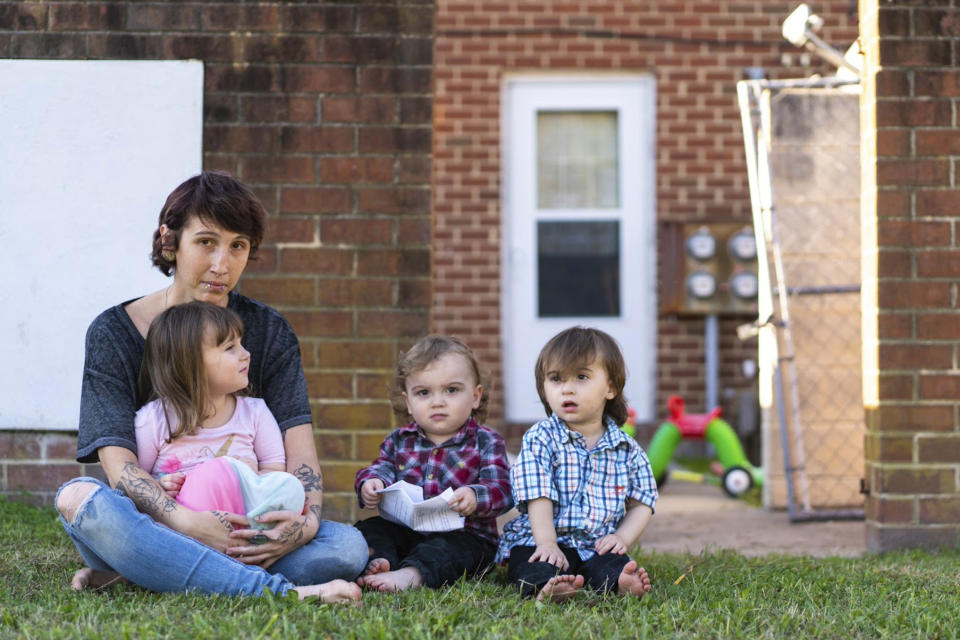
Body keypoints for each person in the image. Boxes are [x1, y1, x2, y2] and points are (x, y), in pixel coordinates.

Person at [55, 171, 367, 603]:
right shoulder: (113, 332)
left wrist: (305, 524)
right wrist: (185, 522)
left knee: (346, 547)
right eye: (206, 242)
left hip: (245, 525)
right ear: (170, 241)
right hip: (161, 520)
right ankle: (274, 592)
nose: (223, 265)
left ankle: (153, 570)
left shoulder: (269, 331)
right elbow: (120, 467)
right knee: (80, 500)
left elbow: (300, 454)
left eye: (238, 246)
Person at [496, 327, 658, 603]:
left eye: (582, 377)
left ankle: (621, 583)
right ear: (544, 388)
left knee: (608, 566)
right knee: (534, 564)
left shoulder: (627, 450)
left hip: (595, 545)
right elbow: (538, 494)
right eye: (556, 379)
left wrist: (622, 538)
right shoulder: (541, 437)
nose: (567, 388)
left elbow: (643, 501)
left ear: (611, 387)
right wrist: (547, 542)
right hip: (539, 537)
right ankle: (549, 586)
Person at [354, 335, 513, 592]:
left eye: (451, 390)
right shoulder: (398, 440)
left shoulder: (486, 441)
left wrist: (475, 495)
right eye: (424, 392)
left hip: (465, 537)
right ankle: (381, 561)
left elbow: (503, 491)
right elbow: (380, 467)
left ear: (475, 396)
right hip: (406, 529)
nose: (437, 401)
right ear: (408, 402)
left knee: (448, 550)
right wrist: (371, 483)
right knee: (369, 529)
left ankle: (411, 574)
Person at [136, 301, 305, 527]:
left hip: (243, 519)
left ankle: (247, 546)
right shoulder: (153, 420)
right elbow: (137, 481)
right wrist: (162, 486)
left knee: (291, 486)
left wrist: (248, 477)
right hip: (183, 526)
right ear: (189, 362)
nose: (246, 354)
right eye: (230, 348)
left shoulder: (255, 412)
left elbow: (274, 469)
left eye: (241, 344)